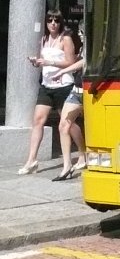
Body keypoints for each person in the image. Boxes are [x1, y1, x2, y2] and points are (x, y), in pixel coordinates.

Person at [19, 10, 78, 177]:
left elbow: (71, 62)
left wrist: (49, 62)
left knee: (68, 123)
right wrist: (37, 62)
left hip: (63, 85)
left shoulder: (65, 39)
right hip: (47, 85)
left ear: (60, 23)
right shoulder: (44, 39)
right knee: (37, 120)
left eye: (56, 21)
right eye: (50, 20)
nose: (53, 24)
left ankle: (82, 152)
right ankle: (31, 160)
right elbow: (43, 62)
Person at [50, 24, 87, 180]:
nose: (79, 34)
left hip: (90, 91)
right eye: (79, 31)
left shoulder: (96, 45)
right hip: (77, 90)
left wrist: (64, 71)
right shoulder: (84, 46)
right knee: (64, 124)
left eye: (81, 31)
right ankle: (67, 166)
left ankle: (85, 156)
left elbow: (86, 61)